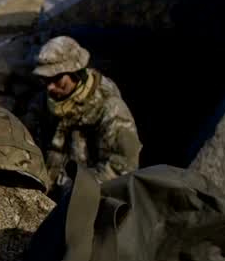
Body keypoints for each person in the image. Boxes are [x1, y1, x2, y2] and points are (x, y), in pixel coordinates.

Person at [23, 35, 141, 194]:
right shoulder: (44, 102)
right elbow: (26, 137)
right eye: (45, 79)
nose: (50, 87)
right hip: (47, 188)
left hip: (86, 197)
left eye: (57, 78)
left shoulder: (111, 110)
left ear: (76, 74)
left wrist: (74, 189)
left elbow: (122, 169)